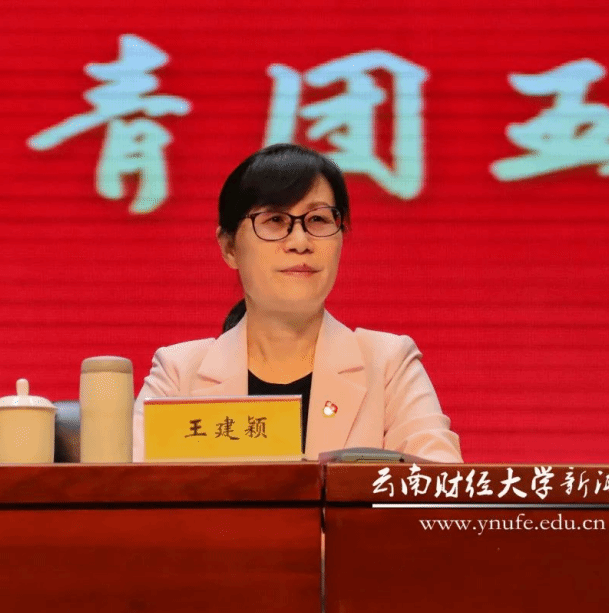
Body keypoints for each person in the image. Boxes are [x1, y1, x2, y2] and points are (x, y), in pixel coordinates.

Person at [133, 143, 462, 462]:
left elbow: (439, 487)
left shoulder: (387, 364)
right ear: (229, 247)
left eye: (318, 220)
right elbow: (129, 489)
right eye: (275, 220)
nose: (300, 241)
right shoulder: (179, 375)